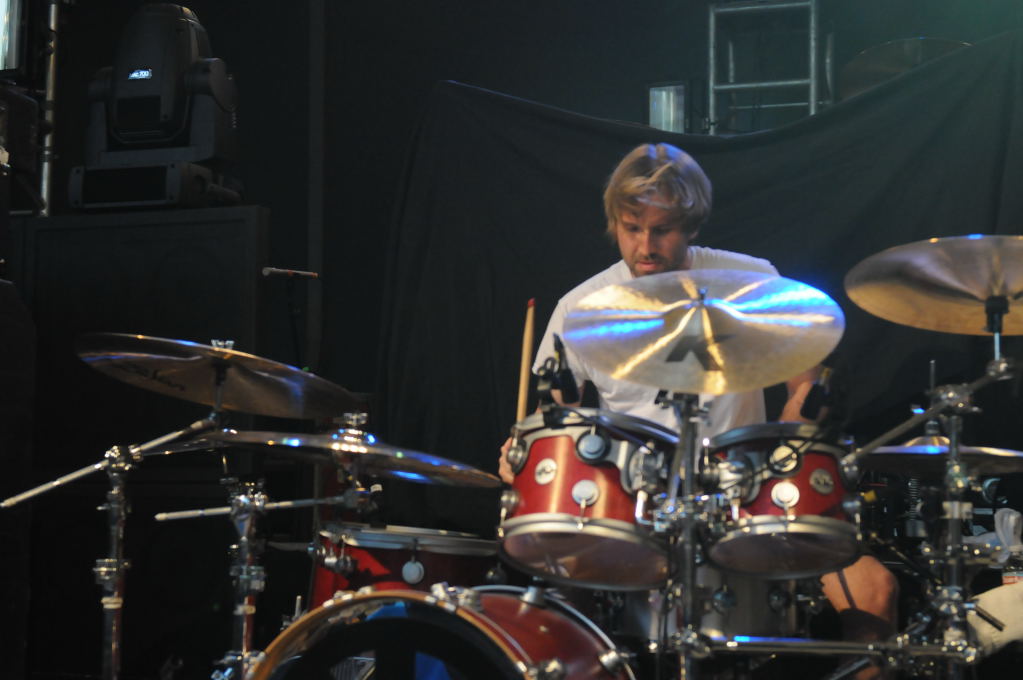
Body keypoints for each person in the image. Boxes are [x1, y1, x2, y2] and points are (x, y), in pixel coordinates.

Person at [500, 143, 897, 679]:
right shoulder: (580, 308)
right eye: (631, 228)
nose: (645, 246)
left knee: (874, 591)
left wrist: (793, 446)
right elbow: (554, 419)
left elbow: (804, 387)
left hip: (743, 498)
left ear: (691, 226)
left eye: (662, 230)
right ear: (614, 223)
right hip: (633, 508)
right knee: (554, 608)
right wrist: (523, 455)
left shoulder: (752, 282)